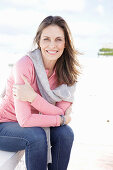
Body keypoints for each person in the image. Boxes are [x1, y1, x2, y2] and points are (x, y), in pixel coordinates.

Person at [0, 16, 80, 170]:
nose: (52, 45)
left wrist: (33, 98)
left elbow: (61, 113)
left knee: (65, 133)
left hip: (35, 123)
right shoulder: (24, 65)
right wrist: (61, 119)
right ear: (39, 41)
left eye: (58, 39)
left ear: (66, 43)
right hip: (5, 125)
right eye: (46, 39)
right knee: (36, 136)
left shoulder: (67, 74)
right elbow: (25, 120)